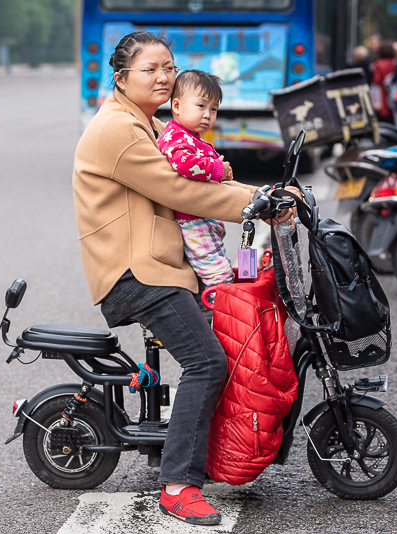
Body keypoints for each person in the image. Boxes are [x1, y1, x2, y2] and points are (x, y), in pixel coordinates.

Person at [72, 31, 297, 526]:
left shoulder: (147, 124)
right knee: (207, 363)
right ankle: (178, 485)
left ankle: (217, 450)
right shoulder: (118, 129)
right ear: (122, 78)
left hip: (164, 265)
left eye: (169, 68)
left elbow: (201, 179)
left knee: (232, 344)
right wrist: (257, 201)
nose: (162, 77)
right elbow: (181, 190)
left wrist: (268, 193)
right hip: (138, 273)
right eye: (150, 69)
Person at [157, 70, 234, 293]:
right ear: (177, 106)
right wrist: (218, 168)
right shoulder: (175, 136)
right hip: (192, 220)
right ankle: (217, 316)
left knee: (218, 266)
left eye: (213, 109)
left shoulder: (191, 136)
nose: (207, 115)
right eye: (201, 106)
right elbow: (185, 164)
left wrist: (220, 172)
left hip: (203, 214)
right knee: (219, 275)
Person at [371, 40, 397, 123]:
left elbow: (376, 81)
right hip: (393, 93)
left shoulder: (378, 64)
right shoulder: (395, 63)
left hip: (382, 94)